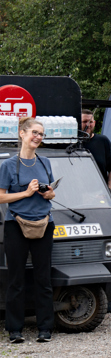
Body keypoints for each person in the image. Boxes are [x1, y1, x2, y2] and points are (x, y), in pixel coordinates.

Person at [1, 117, 56, 343]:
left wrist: (49, 193)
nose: (38, 137)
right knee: (16, 279)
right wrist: (25, 193)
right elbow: (1, 196)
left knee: (43, 278)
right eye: (34, 132)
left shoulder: (45, 163)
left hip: (44, 223)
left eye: (41, 134)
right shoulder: (7, 165)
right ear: (22, 133)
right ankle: (15, 329)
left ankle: (45, 328)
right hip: (16, 224)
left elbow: (52, 192)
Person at [81, 109, 111, 191]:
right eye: (84, 121)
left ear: (94, 123)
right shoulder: (70, 142)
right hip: (75, 192)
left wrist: (109, 190)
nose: (88, 125)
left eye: (90, 122)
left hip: (99, 193)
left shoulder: (103, 141)